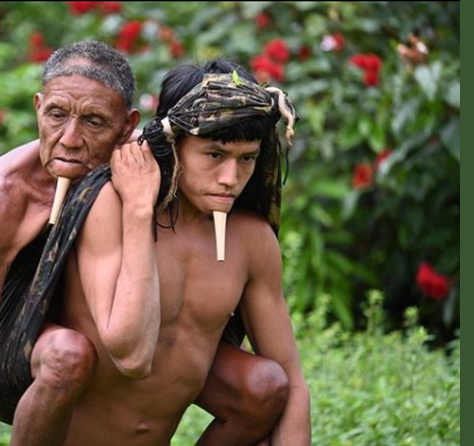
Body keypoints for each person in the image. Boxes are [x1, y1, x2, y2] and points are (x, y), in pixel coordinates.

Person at [0, 39, 289, 446]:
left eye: (94, 122)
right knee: (67, 356)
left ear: (128, 127)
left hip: (126, 349)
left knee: (262, 383)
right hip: (34, 354)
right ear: (37, 106)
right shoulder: (7, 192)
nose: (70, 139)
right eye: (57, 115)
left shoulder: (142, 168)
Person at [54, 59, 311, 445]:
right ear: (173, 146)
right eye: (214, 155)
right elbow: (130, 354)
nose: (230, 179)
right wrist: (139, 210)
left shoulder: (251, 241)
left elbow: (292, 382)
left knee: (268, 383)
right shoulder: (112, 205)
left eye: (247, 159)